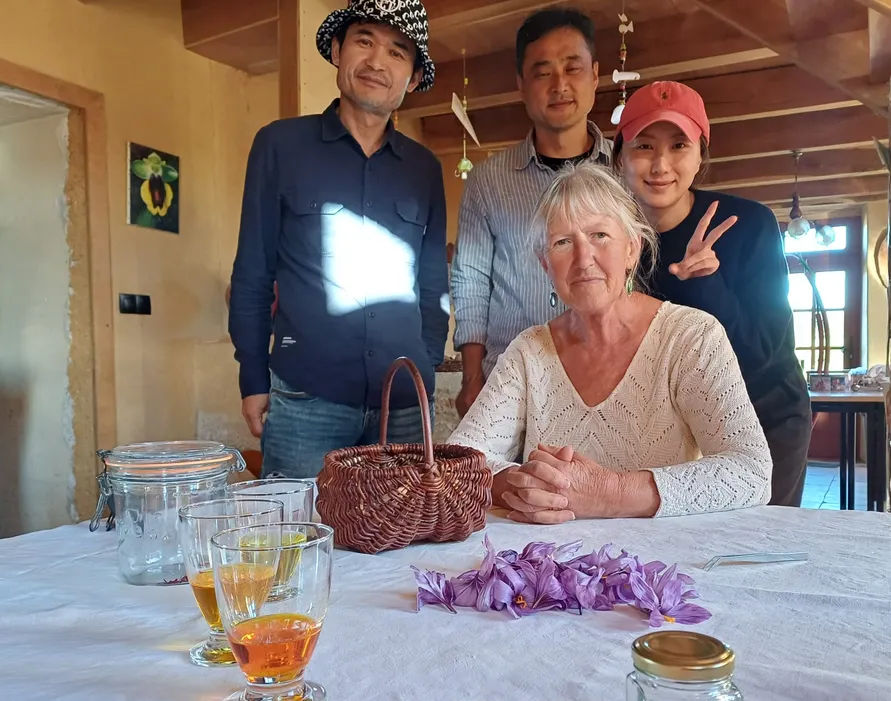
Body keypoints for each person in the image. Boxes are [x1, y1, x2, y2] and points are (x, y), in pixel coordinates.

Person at [447, 163, 772, 523]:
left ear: (632, 249)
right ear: (545, 265)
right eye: (562, 242)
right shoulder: (529, 351)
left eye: (599, 235)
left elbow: (751, 471)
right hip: (555, 569)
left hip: (665, 569)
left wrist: (610, 493)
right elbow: (458, 461)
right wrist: (520, 484)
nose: (583, 259)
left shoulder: (691, 337)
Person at [228, 0, 448, 479]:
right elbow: (253, 270)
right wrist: (252, 375)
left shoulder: (425, 169)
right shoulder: (279, 146)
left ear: (412, 78)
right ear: (336, 49)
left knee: (400, 544)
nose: (376, 62)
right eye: (364, 41)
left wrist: (426, 365)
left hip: (405, 408)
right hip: (307, 398)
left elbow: (433, 282)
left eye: (397, 52)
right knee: (296, 541)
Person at [614, 81, 812, 507]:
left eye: (679, 145)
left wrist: (705, 283)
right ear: (620, 157)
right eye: (644, 146)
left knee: (753, 550)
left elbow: (764, 351)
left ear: (700, 153)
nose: (660, 164)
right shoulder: (618, 242)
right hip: (673, 426)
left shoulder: (749, 225)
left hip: (765, 417)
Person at [449, 7, 612, 418]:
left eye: (573, 68)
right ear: (522, 84)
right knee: (508, 485)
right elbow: (470, 281)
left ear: (594, 76)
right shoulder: (488, 181)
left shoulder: (624, 173)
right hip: (510, 383)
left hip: (610, 379)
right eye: (542, 72)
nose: (559, 85)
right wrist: (472, 378)